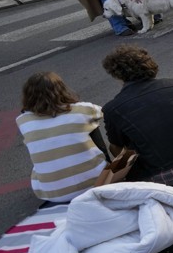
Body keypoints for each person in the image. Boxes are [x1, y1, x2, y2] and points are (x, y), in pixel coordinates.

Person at [101, 45, 173, 184]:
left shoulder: (111, 108)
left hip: (158, 179)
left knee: (117, 146)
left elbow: (116, 147)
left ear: (117, 75)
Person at [16, 72, 108, 202]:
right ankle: (104, 165)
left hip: (53, 195)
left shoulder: (23, 120)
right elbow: (104, 111)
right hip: (97, 183)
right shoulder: (83, 109)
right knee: (91, 124)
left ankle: (57, 180)